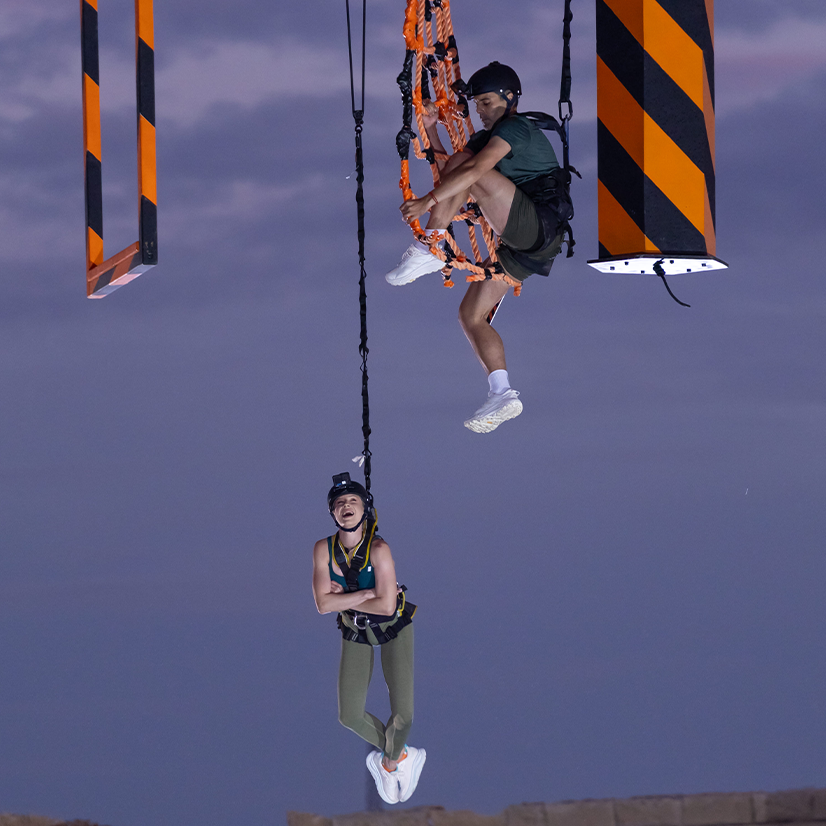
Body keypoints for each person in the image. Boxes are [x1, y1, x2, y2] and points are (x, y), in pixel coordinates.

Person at [386, 62, 568, 434]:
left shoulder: (516, 127)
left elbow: (471, 174)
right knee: (470, 315)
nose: (480, 111)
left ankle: (431, 245)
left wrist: (426, 202)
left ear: (510, 98)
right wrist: (432, 129)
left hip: (536, 224)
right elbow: (452, 173)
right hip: (528, 247)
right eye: (477, 104)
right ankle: (502, 392)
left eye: (486, 103)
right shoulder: (486, 138)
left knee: (472, 169)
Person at [312, 473, 425, 805]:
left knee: (404, 716)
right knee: (348, 715)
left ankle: (389, 763)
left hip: (393, 627)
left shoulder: (379, 549)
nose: (346, 506)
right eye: (339, 503)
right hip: (355, 630)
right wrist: (366, 594)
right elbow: (322, 605)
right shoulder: (323, 549)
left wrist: (344, 598)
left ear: (365, 509)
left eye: (353, 501)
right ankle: (399, 757)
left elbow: (387, 605)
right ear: (332, 512)